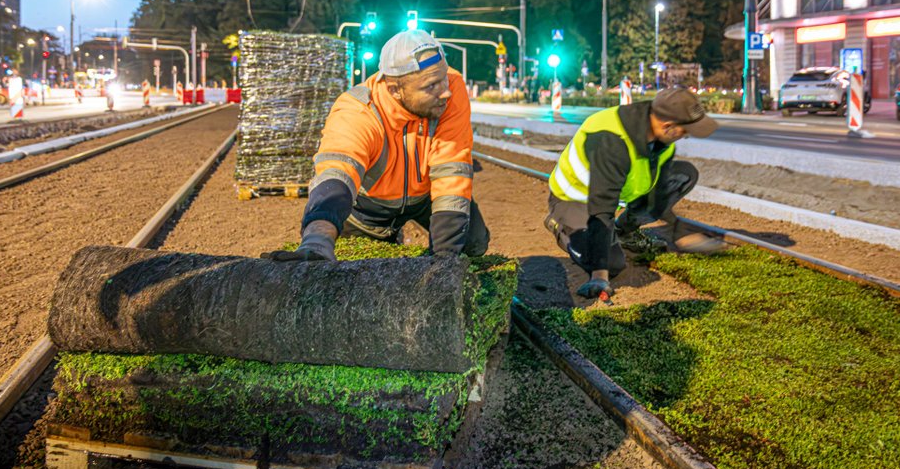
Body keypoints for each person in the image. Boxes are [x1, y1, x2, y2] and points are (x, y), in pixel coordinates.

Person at [265, 29, 490, 262]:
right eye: (431, 86)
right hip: (369, 208)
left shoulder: (450, 89)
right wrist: (317, 240)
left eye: (443, 77)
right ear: (394, 89)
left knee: (472, 242)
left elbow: (451, 168)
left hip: (424, 196)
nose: (445, 91)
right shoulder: (358, 111)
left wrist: (445, 256)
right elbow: (337, 175)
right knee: (362, 265)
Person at [543, 87, 718, 302]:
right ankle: (560, 224)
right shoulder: (610, 140)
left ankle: (623, 231)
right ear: (667, 125)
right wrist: (600, 275)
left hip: (615, 193)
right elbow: (602, 207)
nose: (687, 136)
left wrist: (679, 232)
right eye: (685, 130)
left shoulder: (660, 138)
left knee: (683, 175)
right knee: (613, 264)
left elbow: (659, 191)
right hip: (576, 200)